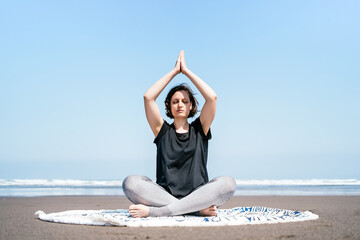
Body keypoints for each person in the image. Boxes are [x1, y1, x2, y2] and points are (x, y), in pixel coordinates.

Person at [122, 50, 236, 218]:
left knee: (228, 183)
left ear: (191, 106)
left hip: (199, 194)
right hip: (163, 196)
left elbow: (212, 98)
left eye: (185, 101)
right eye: (175, 102)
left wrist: (187, 71)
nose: (180, 105)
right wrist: (174, 72)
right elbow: (148, 97)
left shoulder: (200, 128)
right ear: (169, 107)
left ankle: (159, 212)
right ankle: (195, 209)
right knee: (130, 182)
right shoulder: (162, 130)